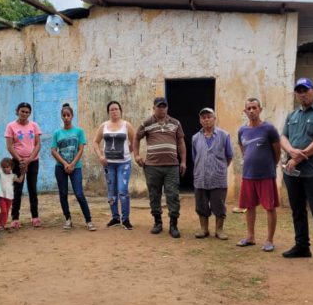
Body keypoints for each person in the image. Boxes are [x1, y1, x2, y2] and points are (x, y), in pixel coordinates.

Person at [280, 78, 313, 269]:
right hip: (292, 173)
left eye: (305, 90)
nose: (302, 94)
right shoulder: (292, 115)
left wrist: (296, 158)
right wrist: (290, 151)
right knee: (297, 211)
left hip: (312, 173)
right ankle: (302, 246)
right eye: (299, 91)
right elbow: (283, 136)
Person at [132, 97, 186, 238]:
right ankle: (158, 222)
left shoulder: (175, 123)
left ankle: (173, 225)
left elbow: (181, 143)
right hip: (152, 167)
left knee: (173, 195)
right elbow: (136, 138)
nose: (161, 109)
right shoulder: (147, 123)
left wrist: (183, 162)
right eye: (159, 106)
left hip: (172, 167)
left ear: (167, 108)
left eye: (164, 106)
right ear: (154, 108)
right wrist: (137, 155)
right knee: (154, 195)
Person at [236, 98, 281, 251]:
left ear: (260, 109)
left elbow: (277, 151)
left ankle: (269, 240)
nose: (251, 111)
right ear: (245, 111)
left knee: (269, 207)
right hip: (248, 175)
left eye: (254, 108)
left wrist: (272, 166)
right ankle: (250, 237)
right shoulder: (242, 130)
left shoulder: (269, 129)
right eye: (248, 108)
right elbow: (244, 151)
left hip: (266, 175)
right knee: (249, 206)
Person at [92, 100, 136, 230]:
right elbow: (95, 142)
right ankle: (115, 217)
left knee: (123, 190)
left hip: (124, 164)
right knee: (111, 192)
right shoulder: (104, 126)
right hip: (108, 164)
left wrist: (126, 153)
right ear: (108, 112)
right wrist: (100, 156)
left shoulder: (127, 125)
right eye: (112, 109)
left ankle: (126, 219)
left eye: (116, 109)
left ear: (120, 110)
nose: (114, 111)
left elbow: (134, 142)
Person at [51, 103, 95, 231]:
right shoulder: (57, 133)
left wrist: (72, 164)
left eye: (68, 115)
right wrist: (65, 164)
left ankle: (89, 220)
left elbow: (80, 149)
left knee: (79, 193)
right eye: (64, 115)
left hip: (76, 167)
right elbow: (53, 150)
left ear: (72, 116)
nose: (66, 117)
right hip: (60, 168)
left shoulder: (79, 131)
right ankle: (68, 219)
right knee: (63, 193)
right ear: (61, 117)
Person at [191, 107, 233, 240]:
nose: (206, 119)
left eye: (209, 117)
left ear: (214, 119)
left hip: (218, 177)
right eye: (203, 117)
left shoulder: (224, 135)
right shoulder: (195, 138)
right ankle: (204, 229)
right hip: (200, 177)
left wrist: (220, 168)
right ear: (200, 120)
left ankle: (219, 230)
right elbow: (195, 157)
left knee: (219, 204)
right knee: (201, 204)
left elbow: (229, 155)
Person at [5, 102, 41, 228]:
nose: (24, 114)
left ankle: (35, 217)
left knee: (32, 188)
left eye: (27, 112)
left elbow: (37, 145)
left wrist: (29, 159)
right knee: (17, 189)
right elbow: (9, 146)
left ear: (29, 113)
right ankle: (15, 218)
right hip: (16, 162)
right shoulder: (11, 126)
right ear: (17, 111)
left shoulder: (34, 125)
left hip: (33, 161)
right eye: (22, 111)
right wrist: (20, 160)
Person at [0, 158, 17, 231]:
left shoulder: (13, 176)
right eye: (4, 167)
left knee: (7, 211)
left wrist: (23, 172)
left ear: (11, 167)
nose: (5, 169)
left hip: (9, 196)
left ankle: (3, 224)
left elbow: (20, 180)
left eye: (7, 167)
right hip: (1, 195)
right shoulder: (0, 172)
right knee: (4, 211)